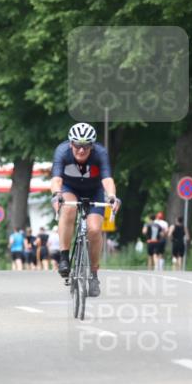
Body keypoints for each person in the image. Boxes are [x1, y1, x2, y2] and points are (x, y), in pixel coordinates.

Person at [50, 122, 120, 298]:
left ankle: (94, 275)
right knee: (68, 209)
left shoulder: (100, 153)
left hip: (94, 191)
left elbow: (107, 179)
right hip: (69, 189)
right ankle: (64, 257)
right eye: (77, 145)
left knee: (95, 230)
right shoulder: (62, 152)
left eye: (86, 146)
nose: (81, 150)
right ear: (70, 143)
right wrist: (56, 194)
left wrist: (111, 196)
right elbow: (56, 179)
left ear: (92, 145)